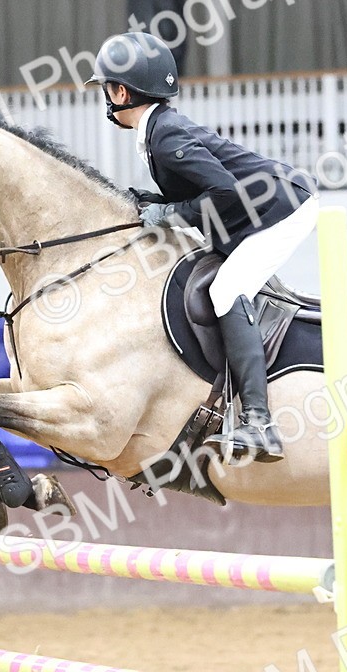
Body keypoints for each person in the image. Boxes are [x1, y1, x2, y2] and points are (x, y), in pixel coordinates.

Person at [87, 32, 319, 463]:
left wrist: (169, 215)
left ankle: (258, 422)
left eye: (106, 88)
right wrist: (153, 205)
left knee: (227, 290)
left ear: (120, 91)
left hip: (284, 209)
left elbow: (226, 192)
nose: (105, 97)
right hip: (258, 207)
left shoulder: (165, 137)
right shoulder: (158, 130)